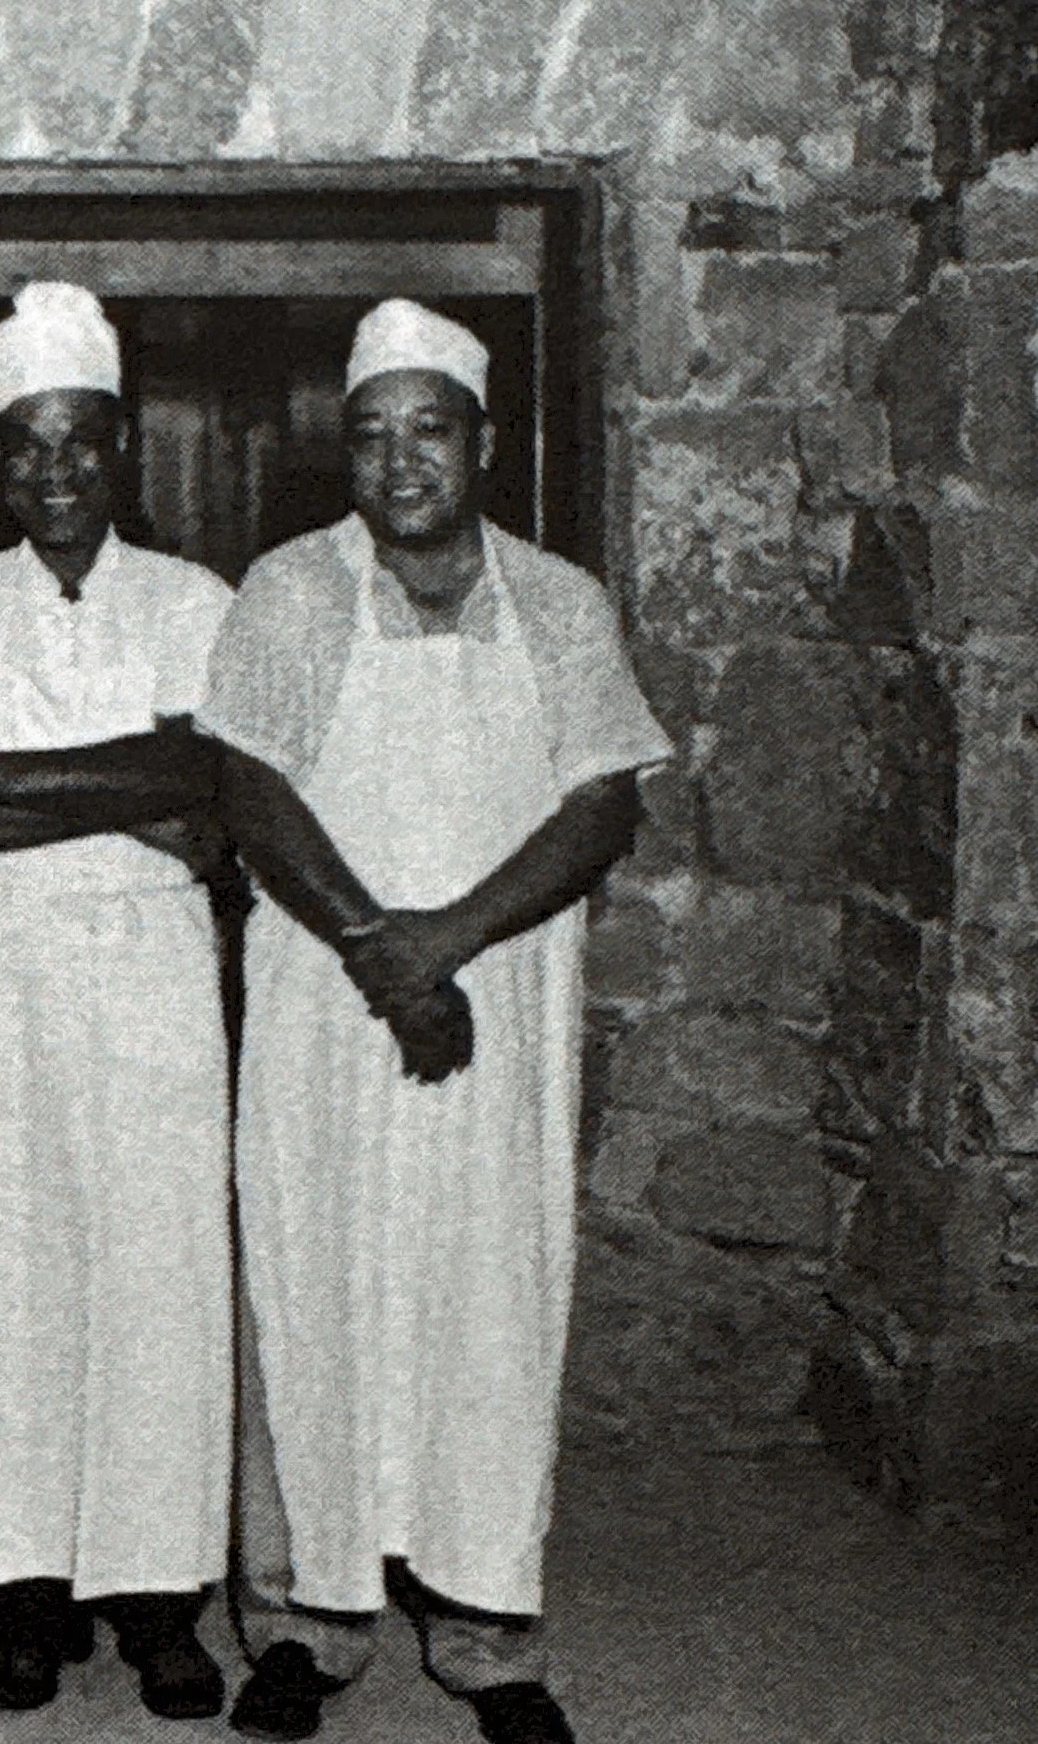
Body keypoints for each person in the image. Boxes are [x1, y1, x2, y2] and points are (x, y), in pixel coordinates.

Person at [206, 299, 670, 1744]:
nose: (399, 460)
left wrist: (444, 946)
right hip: (324, 996)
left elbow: (603, 802)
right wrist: (373, 950)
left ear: (480, 441)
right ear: (339, 450)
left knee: (489, 1292)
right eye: (369, 432)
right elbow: (251, 791)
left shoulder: (558, 602)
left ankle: (483, 1629)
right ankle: (305, 1617)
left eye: (429, 429)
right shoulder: (284, 592)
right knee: (307, 1275)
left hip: (497, 995)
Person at [0, 282, 236, 1720]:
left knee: (155, 1279)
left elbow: (212, 815)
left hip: (148, 976)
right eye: (26, 446)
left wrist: (9, 781)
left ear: (121, 448)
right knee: (5, 1274)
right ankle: (23, 1598)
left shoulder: (199, 605)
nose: (53, 472)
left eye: (79, 443)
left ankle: (155, 1602)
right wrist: (136, 770)